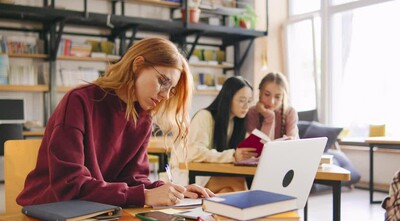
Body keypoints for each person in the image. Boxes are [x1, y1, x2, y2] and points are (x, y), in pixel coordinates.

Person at [16, 37, 214, 208]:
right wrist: (144, 195)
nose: (164, 95)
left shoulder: (142, 116)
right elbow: (69, 185)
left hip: (95, 210)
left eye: (170, 90)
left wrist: (172, 191)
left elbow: (133, 179)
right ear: (137, 65)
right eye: (163, 81)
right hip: (50, 210)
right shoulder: (79, 101)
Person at [170, 76, 257, 193]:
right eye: (241, 100)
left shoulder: (236, 122)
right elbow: (195, 153)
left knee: (227, 192)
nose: (246, 106)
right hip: (188, 175)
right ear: (228, 98)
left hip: (210, 174)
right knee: (238, 181)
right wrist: (232, 156)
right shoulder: (205, 116)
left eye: (249, 101)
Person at [246, 72, 299, 140]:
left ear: (283, 97)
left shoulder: (290, 112)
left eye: (277, 97)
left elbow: (292, 142)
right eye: (267, 94)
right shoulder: (252, 112)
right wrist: (268, 116)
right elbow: (255, 145)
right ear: (260, 93)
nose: (271, 101)